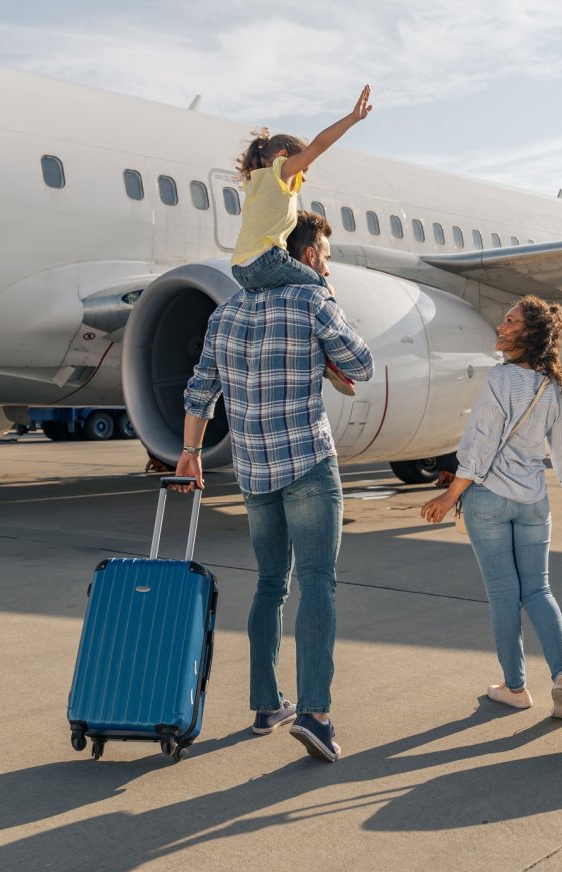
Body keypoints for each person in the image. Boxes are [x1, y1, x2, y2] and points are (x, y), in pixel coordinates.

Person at [176, 212, 372, 763]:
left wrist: (190, 456)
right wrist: (327, 296)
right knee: (318, 585)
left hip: (253, 472)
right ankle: (315, 713)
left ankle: (266, 704)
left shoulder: (228, 311)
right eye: (326, 256)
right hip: (307, 464)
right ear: (308, 256)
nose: (327, 263)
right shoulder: (313, 300)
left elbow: (199, 393)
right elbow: (364, 361)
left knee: (269, 586)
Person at [421, 297, 562, 719]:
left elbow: (482, 445)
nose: (500, 326)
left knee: (504, 596)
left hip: (488, 500)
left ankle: (515, 687)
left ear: (528, 334)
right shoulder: (552, 385)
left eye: (510, 321)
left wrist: (450, 495)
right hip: (532, 502)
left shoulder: (500, 379)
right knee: (538, 590)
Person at [230, 86, 372, 395]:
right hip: (266, 259)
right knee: (322, 289)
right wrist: (351, 119)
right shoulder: (280, 173)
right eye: (303, 168)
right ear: (283, 158)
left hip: (241, 269)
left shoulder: (255, 182)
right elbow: (319, 144)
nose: (304, 175)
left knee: (287, 303)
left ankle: (302, 350)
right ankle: (330, 359)